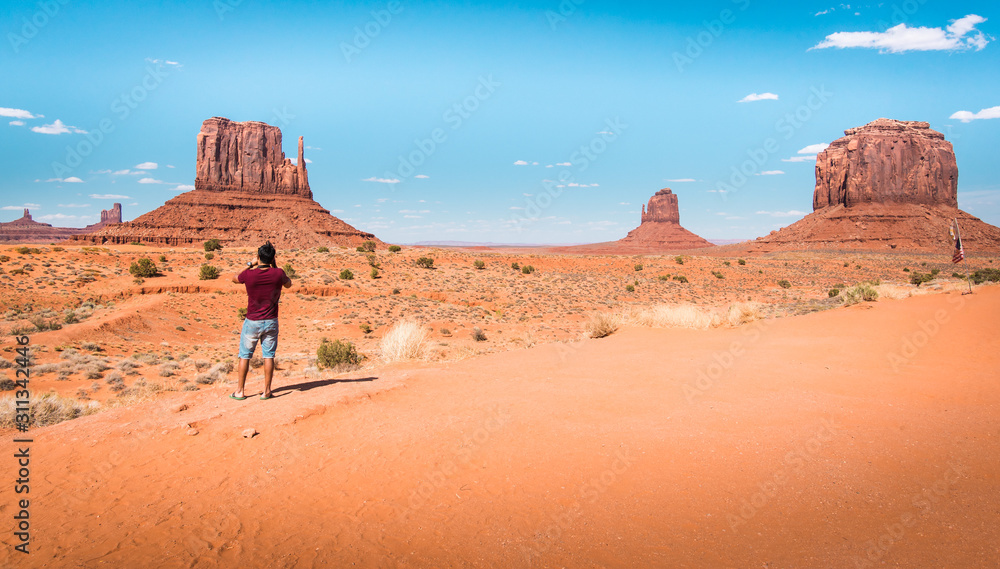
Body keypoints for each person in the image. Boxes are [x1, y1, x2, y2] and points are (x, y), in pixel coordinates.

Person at [230, 241, 291, 400]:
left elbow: (234, 278)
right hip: (271, 320)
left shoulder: (249, 274)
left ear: (259, 257)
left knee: (244, 355)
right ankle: (267, 391)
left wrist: (250, 263)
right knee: (268, 356)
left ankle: (240, 391)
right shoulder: (278, 273)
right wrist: (275, 266)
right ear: (272, 258)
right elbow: (289, 284)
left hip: (252, 321)